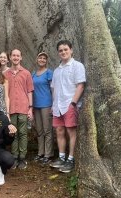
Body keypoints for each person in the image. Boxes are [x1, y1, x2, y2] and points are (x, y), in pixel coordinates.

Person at [50, 40, 86, 173]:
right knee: (59, 131)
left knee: (71, 132)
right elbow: (54, 89)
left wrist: (73, 103)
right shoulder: (57, 70)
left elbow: (81, 85)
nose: (63, 52)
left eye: (65, 49)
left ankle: (71, 159)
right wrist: (54, 105)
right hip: (57, 106)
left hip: (70, 105)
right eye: (60, 50)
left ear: (71, 50)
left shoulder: (77, 66)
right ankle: (61, 157)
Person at [4, 49, 34, 169]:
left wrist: (30, 108)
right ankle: (14, 157)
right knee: (13, 133)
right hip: (11, 108)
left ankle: (22, 158)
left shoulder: (26, 73)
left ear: (21, 57)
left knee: (23, 133)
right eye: (13, 55)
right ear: (10, 57)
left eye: (18, 55)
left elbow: (30, 91)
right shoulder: (5, 74)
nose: (16, 57)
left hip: (23, 107)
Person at [32, 52, 54, 165]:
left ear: (46, 61)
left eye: (44, 58)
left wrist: (53, 104)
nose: (42, 60)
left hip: (46, 104)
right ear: (37, 59)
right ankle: (40, 153)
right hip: (36, 105)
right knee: (39, 130)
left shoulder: (49, 73)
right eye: (40, 57)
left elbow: (53, 89)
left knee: (47, 130)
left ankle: (48, 154)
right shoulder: (34, 74)